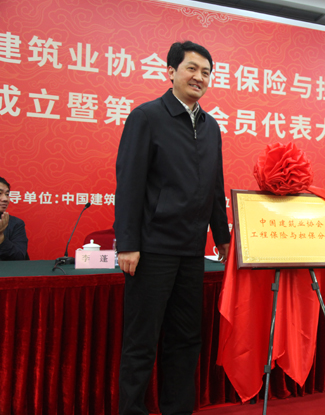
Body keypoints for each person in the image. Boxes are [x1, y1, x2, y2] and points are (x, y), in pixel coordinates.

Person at [114, 41, 230, 415]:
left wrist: (223, 236)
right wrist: (127, 243)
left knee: (186, 338)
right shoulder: (147, 117)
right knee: (141, 341)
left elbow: (214, 185)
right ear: (171, 72)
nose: (199, 77)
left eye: (206, 72)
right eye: (192, 68)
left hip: (191, 250)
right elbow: (129, 183)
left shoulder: (211, 126)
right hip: (152, 249)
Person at [0, 176, 28, 261]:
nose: (5, 199)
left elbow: (19, 257)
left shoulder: (16, 223)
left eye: (7, 194)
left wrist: (1, 237)